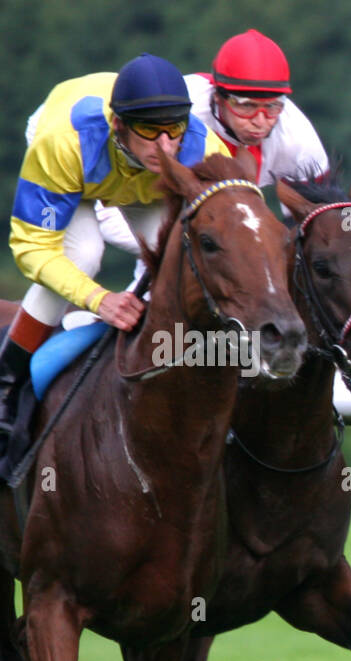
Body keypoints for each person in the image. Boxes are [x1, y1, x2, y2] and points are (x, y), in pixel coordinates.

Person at [1, 53, 229, 454]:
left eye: (174, 129)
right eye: (149, 130)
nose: (165, 147)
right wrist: (99, 300)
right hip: (74, 158)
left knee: (186, 254)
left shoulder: (203, 150)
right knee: (85, 254)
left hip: (140, 183)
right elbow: (31, 247)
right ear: (118, 123)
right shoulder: (63, 142)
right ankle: (7, 384)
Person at [97, 29, 329, 264]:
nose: (260, 121)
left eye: (272, 107)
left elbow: (338, 218)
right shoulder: (178, 107)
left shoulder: (298, 138)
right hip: (124, 202)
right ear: (217, 97)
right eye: (246, 106)